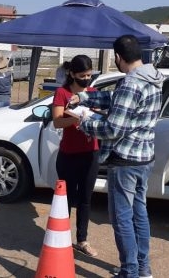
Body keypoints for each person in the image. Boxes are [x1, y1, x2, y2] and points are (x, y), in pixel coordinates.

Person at [71, 35, 163, 278]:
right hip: (145, 156)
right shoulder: (152, 76)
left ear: (119, 58)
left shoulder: (132, 83)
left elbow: (113, 129)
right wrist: (85, 96)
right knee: (139, 214)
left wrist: (84, 122)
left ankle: (129, 272)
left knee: (122, 219)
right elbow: (116, 98)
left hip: (125, 160)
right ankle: (143, 270)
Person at [51, 55, 100, 257]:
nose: (86, 79)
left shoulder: (93, 92)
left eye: (89, 75)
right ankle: (61, 238)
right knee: (67, 199)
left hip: (91, 152)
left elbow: (99, 115)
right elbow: (56, 122)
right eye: (82, 75)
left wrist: (93, 114)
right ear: (71, 74)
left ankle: (82, 240)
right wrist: (75, 118)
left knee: (86, 199)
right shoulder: (62, 93)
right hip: (69, 154)